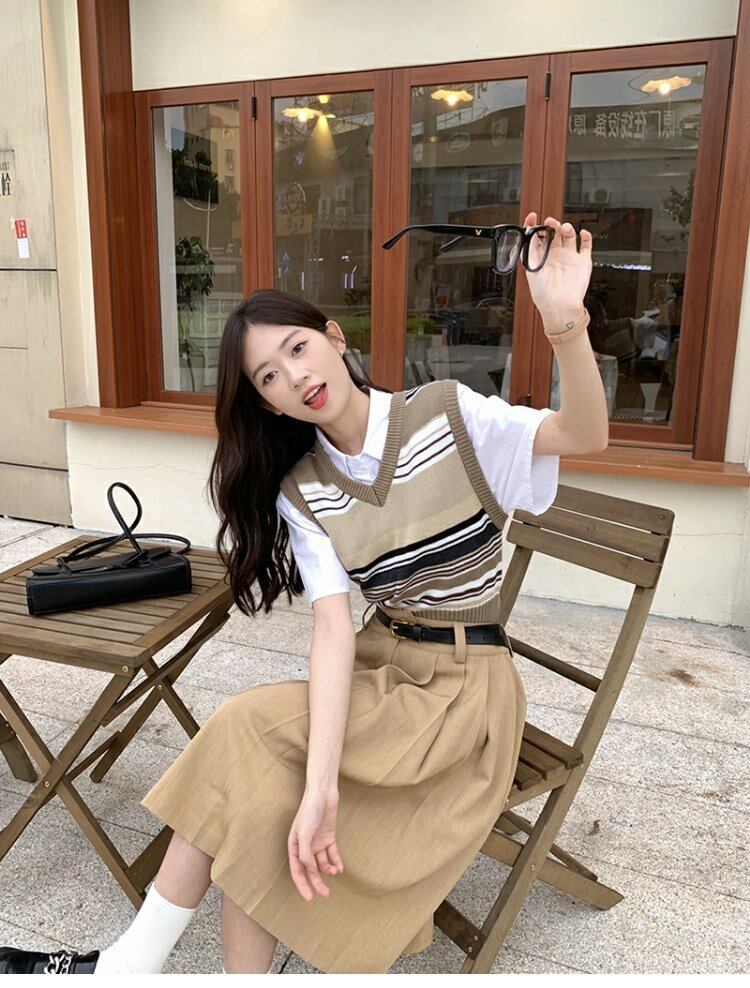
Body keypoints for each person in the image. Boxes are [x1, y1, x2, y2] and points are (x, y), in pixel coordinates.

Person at [0, 214, 608, 975]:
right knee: (261, 794)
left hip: (464, 702)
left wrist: (565, 326)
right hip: (382, 675)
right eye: (268, 377)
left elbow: (584, 436)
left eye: (297, 348)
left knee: (244, 738)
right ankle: (137, 969)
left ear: (334, 337)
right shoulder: (304, 489)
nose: (294, 376)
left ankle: (127, 969)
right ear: (269, 406)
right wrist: (319, 788)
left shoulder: (449, 415)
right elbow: (332, 630)